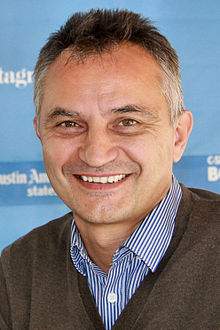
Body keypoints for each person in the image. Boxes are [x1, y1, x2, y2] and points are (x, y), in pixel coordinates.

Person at [0, 9, 219, 330]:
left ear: (178, 135)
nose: (96, 155)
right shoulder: (16, 271)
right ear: (40, 133)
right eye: (69, 123)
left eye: (127, 122)